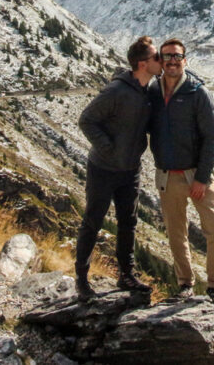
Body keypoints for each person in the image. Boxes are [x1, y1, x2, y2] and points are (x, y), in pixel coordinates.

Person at [75, 35, 163, 298]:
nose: (161, 61)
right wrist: (109, 149)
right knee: (93, 221)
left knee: (128, 222)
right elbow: (86, 120)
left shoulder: (150, 90)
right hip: (103, 168)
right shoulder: (116, 91)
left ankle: (126, 275)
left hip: (130, 169)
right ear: (142, 63)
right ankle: (81, 279)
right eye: (156, 57)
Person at [148, 38, 214, 304]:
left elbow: (212, 137)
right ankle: (185, 284)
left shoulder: (197, 92)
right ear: (160, 60)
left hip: (196, 175)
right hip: (167, 174)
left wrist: (202, 178)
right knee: (176, 233)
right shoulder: (152, 92)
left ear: (185, 60)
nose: (172, 61)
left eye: (177, 56)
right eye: (167, 56)